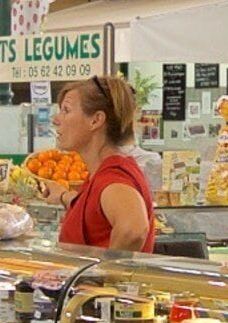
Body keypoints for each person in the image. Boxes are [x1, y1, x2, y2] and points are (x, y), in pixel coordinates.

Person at [52, 73, 156, 252]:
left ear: (96, 120)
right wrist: (63, 196)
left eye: (66, 110)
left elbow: (133, 230)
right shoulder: (102, 173)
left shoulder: (112, 177)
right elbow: (94, 210)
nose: (56, 120)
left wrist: (105, 267)